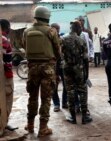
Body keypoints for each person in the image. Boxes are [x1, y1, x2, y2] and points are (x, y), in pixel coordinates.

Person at [23, 6, 60, 137]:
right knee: (46, 99)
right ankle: (43, 128)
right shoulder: (51, 31)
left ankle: (30, 125)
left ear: (36, 16)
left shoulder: (27, 31)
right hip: (47, 70)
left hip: (32, 69)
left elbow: (24, 45)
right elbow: (58, 50)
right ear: (47, 16)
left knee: (32, 97)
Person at [62, 20, 92, 124]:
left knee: (70, 91)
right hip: (79, 69)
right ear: (78, 29)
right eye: (80, 28)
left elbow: (60, 56)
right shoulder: (81, 40)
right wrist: (86, 73)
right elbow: (85, 59)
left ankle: (73, 117)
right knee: (82, 91)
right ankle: (84, 117)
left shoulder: (63, 39)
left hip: (67, 68)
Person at [0, 19, 18, 131]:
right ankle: (3, 125)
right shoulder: (4, 40)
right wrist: (9, 75)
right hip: (5, 76)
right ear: (7, 27)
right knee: (7, 99)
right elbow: (6, 61)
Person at [50, 23, 68, 112]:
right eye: (56, 28)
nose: (58, 30)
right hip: (53, 66)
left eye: (58, 28)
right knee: (54, 86)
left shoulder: (62, 39)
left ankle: (65, 102)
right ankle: (56, 104)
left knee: (66, 85)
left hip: (62, 65)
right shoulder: (48, 41)